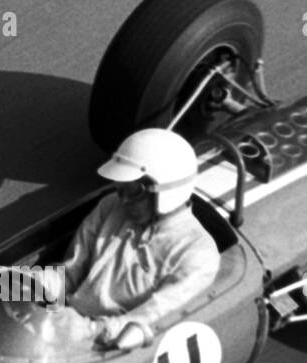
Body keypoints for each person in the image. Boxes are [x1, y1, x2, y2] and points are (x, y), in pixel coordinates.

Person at [59, 128, 221, 346]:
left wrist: (87, 330)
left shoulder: (197, 255)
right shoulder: (110, 206)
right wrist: (17, 283)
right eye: (120, 188)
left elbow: (149, 319)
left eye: (134, 191)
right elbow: (70, 274)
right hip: (63, 324)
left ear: (165, 189)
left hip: (104, 346)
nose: (123, 200)